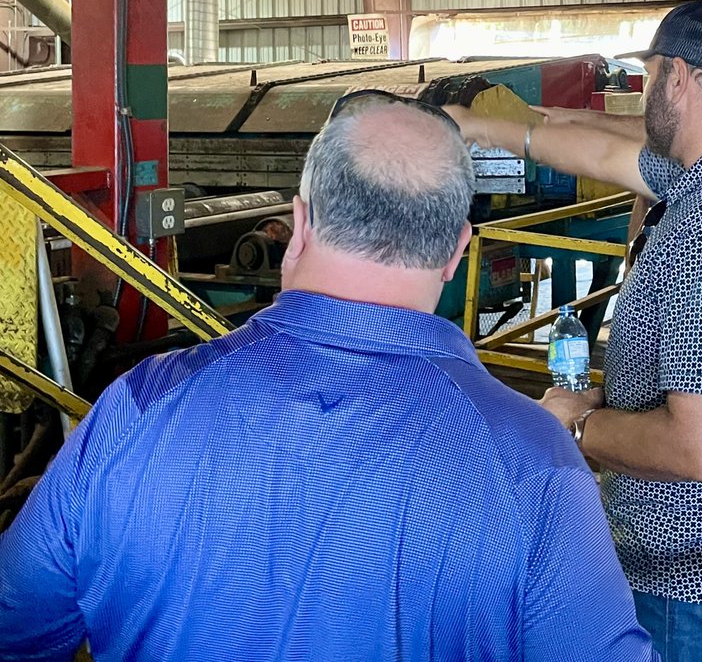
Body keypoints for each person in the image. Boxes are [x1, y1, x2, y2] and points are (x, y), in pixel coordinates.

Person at [0, 92, 656, 662]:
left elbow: (16, 629)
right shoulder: (532, 462)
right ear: (458, 249)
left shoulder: (136, 412)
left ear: (301, 221)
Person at [448, 0, 702, 662]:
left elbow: (700, 449)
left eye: (649, 77)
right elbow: (606, 154)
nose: (645, 92)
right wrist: (488, 130)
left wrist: (571, 425)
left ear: (676, 77)